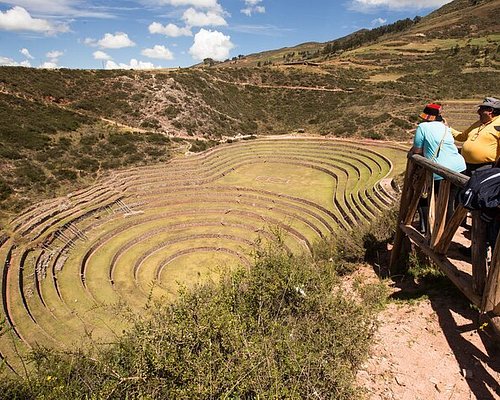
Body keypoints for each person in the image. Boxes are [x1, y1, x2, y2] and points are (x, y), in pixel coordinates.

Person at [409, 103, 466, 233]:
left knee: (424, 198)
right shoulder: (445, 127)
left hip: (440, 169)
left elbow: (417, 151)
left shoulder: (422, 127)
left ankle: (429, 230)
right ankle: (447, 234)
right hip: (459, 167)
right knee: (449, 202)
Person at [453, 97, 500, 176]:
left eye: (481, 109)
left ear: (490, 111)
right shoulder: (478, 123)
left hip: (486, 168)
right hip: (467, 165)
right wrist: (447, 128)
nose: (478, 112)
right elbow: (461, 137)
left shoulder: (498, 124)